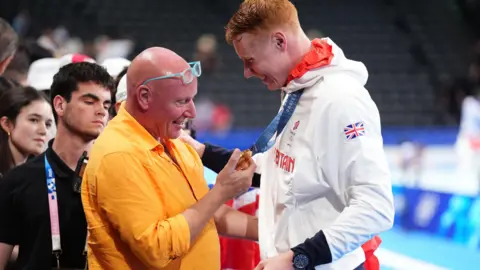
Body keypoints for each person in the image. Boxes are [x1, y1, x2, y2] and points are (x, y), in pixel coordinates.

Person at [184, 0, 394, 269]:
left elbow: (376, 208)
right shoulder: (297, 89)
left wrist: (297, 258)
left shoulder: (341, 100)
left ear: (280, 42)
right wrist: (201, 151)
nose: (247, 74)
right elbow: (280, 171)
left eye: (250, 61)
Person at [81, 47, 258, 270]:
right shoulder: (117, 155)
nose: (192, 112)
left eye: (192, 99)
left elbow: (204, 211)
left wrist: (272, 232)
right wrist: (221, 192)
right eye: (181, 101)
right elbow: (157, 250)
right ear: (144, 97)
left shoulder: (172, 140)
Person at [0, 62, 114, 269]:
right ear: (60, 105)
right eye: (90, 101)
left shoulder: (116, 178)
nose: (101, 112)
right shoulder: (18, 180)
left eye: (106, 105)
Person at [0, 85, 53, 177]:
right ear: (7, 124)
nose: (44, 131)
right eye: (34, 120)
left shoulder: (46, 174)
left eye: (47, 124)